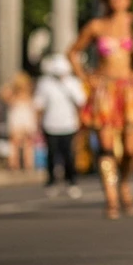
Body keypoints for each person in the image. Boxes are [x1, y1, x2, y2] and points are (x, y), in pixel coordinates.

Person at [69, 0, 133, 219]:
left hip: (130, 89)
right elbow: (73, 53)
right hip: (105, 90)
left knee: (130, 149)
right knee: (106, 147)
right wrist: (86, 77)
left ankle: (125, 183)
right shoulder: (96, 26)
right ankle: (111, 197)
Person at [35, 54, 86, 198]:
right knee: (51, 155)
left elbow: (80, 102)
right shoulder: (45, 84)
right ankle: (51, 182)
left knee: (69, 156)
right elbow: (39, 105)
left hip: (69, 125)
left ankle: (72, 182)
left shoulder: (73, 83)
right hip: (50, 125)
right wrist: (38, 124)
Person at [1, 73, 38, 173]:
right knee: (28, 144)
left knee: (14, 144)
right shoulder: (29, 95)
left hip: (17, 120)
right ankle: (28, 165)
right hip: (27, 119)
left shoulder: (14, 96)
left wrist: (9, 83)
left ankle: (14, 164)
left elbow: (3, 94)